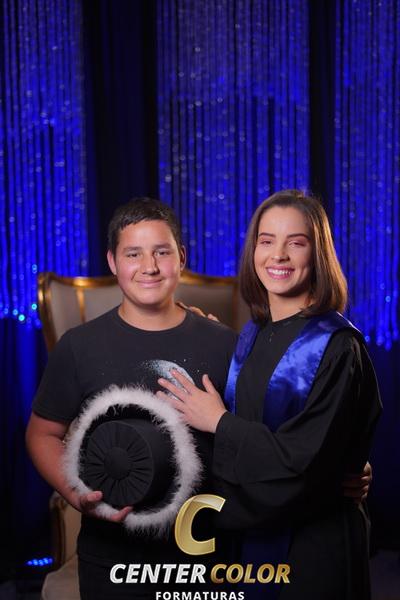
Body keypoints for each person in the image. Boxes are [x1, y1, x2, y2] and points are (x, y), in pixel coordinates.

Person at [157, 189, 382, 600]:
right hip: (255, 545)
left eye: (296, 243)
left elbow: (308, 463)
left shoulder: (337, 347)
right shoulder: (253, 335)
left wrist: (219, 422)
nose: (278, 255)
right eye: (266, 241)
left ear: (318, 254)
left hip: (312, 548)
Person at [26, 198, 237, 599]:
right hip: (112, 561)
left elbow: (255, 437)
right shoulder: (79, 347)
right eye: (133, 253)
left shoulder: (225, 344)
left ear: (181, 258)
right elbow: (42, 434)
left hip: (206, 555)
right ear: (112, 261)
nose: (149, 266)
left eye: (162, 252)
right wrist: (75, 493)